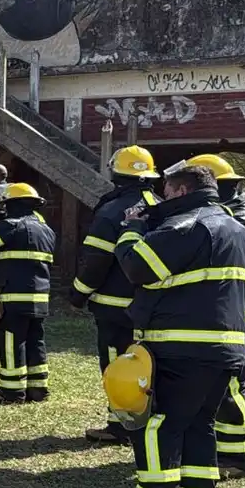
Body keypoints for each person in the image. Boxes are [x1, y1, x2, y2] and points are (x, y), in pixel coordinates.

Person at [105, 162, 245, 488]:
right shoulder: (238, 229)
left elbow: (137, 267)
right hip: (225, 349)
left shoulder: (187, 225)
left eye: (166, 191)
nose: (161, 198)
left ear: (181, 191)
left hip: (181, 347)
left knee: (158, 425)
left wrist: (132, 229)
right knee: (199, 424)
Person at [183, 154, 245, 479]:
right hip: (229, 312)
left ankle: (236, 456)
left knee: (233, 383)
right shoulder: (237, 216)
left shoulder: (242, 221)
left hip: (238, 315)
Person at [74, 145, 162, 443]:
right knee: (149, 364)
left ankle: (121, 425)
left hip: (114, 309)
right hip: (154, 307)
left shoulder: (111, 211)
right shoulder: (162, 207)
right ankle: (147, 418)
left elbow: (96, 260)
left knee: (117, 364)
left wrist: (78, 292)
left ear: (116, 173)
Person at [0, 182, 55, 403]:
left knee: (11, 341)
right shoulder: (47, 231)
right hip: (40, 298)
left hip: (14, 297)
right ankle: (38, 389)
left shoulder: (9, 226)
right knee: (36, 340)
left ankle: (12, 391)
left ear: (11, 205)